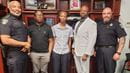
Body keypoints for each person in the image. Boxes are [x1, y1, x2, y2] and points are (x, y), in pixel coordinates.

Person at [0, 1, 30, 73]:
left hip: (23, 54)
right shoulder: (6, 21)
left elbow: (26, 35)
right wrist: (24, 44)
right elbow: (5, 40)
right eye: (14, 6)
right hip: (14, 56)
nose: (17, 9)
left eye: (19, 7)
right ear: (9, 8)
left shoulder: (20, 21)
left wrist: (26, 45)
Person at [95, 7, 127, 73]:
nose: (106, 15)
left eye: (108, 13)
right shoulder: (98, 24)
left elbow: (122, 38)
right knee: (100, 70)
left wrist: (118, 52)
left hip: (110, 51)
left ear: (111, 14)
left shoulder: (116, 24)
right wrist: (94, 49)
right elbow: (95, 38)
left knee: (110, 70)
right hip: (99, 51)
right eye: (104, 13)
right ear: (102, 14)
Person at [72, 5, 97, 73]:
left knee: (85, 70)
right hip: (76, 51)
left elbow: (92, 39)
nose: (83, 12)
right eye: (81, 10)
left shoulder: (92, 23)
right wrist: (73, 47)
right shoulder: (78, 23)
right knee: (79, 70)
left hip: (84, 52)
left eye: (85, 11)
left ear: (88, 12)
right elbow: (76, 37)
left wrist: (86, 53)